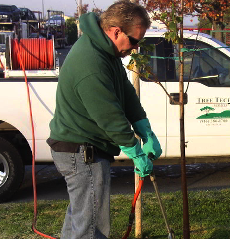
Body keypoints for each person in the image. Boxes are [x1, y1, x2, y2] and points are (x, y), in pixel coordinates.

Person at [46, 1, 162, 238]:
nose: (135, 48)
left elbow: (125, 91)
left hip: (82, 149)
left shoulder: (104, 50)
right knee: (91, 228)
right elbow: (108, 115)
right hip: (81, 151)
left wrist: (144, 128)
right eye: (134, 41)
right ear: (116, 30)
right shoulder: (91, 61)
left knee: (80, 220)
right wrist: (135, 151)